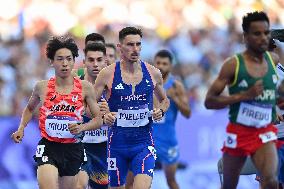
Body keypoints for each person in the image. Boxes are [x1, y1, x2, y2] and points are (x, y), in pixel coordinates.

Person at [11, 36, 102, 189]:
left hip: (73, 149)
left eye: (68, 59)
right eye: (60, 59)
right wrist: (21, 128)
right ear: (52, 61)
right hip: (49, 146)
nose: (65, 63)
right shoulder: (42, 87)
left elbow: (98, 119)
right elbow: (29, 109)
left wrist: (82, 128)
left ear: (74, 61)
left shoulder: (85, 88)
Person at [205, 11, 280, 189]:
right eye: (257, 33)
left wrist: (274, 108)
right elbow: (210, 101)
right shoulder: (233, 65)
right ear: (245, 37)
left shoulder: (274, 60)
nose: (262, 38)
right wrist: (243, 96)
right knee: (229, 185)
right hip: (239, 133)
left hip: (265, 132)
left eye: (265, 33)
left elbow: (272, 93)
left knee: (270, 180)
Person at [94, 26, 170, 189]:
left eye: (138, 44)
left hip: (143, 145)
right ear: (120, 47)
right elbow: (90, 103)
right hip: (116, 146)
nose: (135, 49)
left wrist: (160, 110)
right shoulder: (107, 74)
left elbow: (165, 101)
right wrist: (103, 115)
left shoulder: (153, 73)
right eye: (130, 45)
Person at [76, 42, 109, 189]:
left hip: (105, 148)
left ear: (105, 61)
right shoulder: (75, 86)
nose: (95, 64)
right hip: (80, 146)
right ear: (84, 62)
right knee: (79, 185)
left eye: (99, 60)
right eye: (91, 60)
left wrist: (111, 113)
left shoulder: (116, 88)